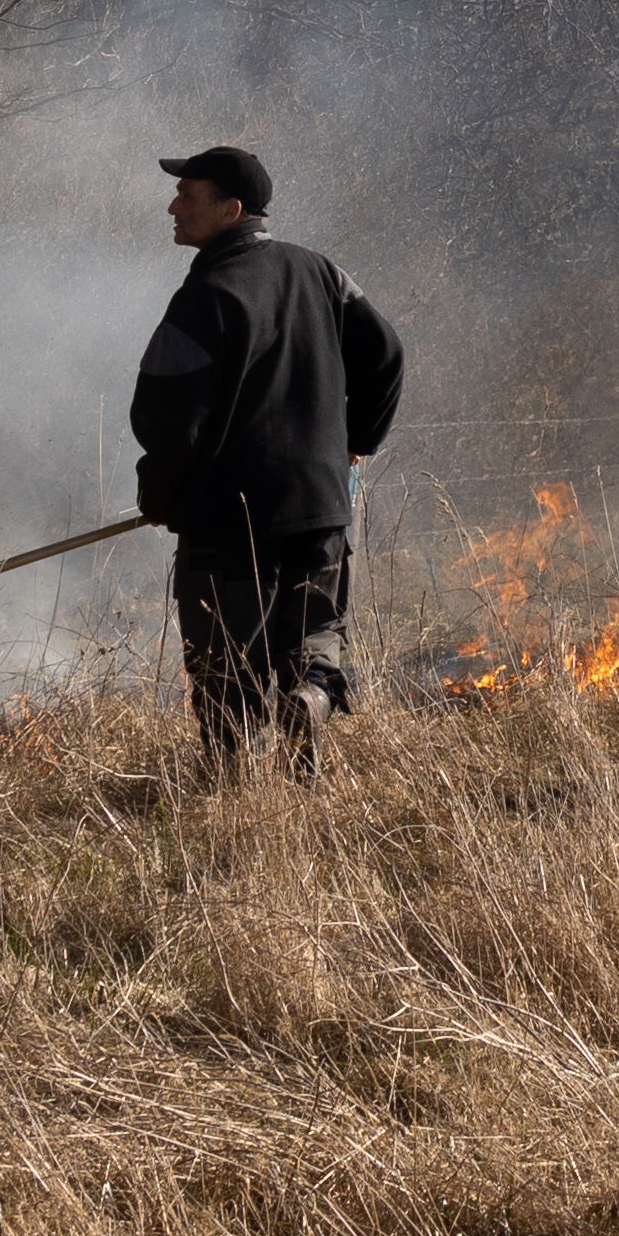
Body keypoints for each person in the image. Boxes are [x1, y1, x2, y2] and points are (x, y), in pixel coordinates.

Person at [130, 144, 408, 779]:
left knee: (228, 667)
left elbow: (168, 416)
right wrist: (356, 441)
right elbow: (387, 354)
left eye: (188, 196)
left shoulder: (207, 293)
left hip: (232, 523)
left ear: (231, 210)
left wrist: (162, 494)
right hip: (321, 507)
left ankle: (237, 793)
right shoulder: (322, 273)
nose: (173, 207)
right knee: (311, 645)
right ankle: (310, 707)